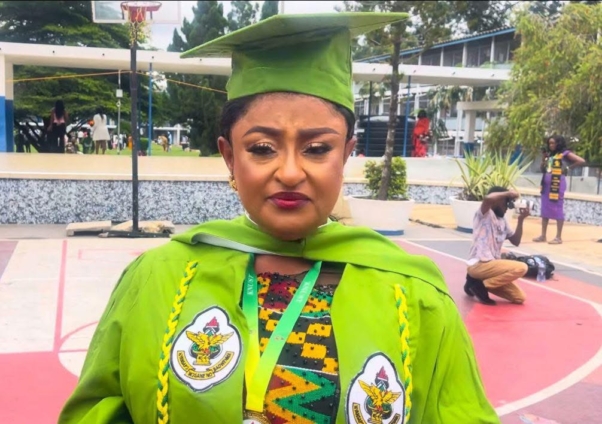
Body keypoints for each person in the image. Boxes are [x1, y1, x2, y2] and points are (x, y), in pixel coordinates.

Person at [59, 13, 499, 424]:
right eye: (262, 148)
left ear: (346, 154)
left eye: (317, 148)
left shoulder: (414, 294)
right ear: (229, 156)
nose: (289, 172)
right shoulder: (158, 279)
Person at [465, 187, 530, 306]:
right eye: (505, 203)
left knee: (519, 297)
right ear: (497, 201)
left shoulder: (503, 221)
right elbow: (488, 198)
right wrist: (509, 193)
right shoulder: (484, 214)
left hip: (491, 267)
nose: (507, 207)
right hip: (479, 264)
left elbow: (516, 241)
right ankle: (480, 285)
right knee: (522, 267)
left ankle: (475, 282)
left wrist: (521, 220)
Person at [533, 135, 585, 245]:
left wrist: (567, 168)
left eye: (553, 143)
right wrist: (543, 159)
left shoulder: (565, 153)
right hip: (546, 184)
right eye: (549, 143)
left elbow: (581, 161)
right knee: (544, 208)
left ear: (558, 143)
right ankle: (543, 235)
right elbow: (543, 169)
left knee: (557, 208)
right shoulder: (549, 155)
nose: (551, 145)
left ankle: (558, 237)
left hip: (557, 184)